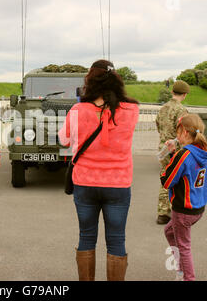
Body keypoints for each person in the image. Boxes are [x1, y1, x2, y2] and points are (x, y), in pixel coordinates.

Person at [58, 59, 139, 281]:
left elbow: (64, 140)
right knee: (116, 240)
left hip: (85, 182)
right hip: (118, 183)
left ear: (89, 82)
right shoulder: (132, 110)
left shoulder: (77, 110)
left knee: (86, 236)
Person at [160, 113, 207, 281]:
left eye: (178, 132)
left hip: (183, 210)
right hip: (197, 209)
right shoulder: (201, 152)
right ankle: (181, 268)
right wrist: (174, 153)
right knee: (169, 231)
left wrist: (170, 156)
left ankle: (186, 276)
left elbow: (167, 180)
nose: (176, 136)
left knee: (184, 247)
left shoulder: (184, 155)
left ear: (185, 133)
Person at [155, 80, 190, 224]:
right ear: (185, 94)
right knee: (178, 180)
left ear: (172, 92)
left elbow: (158, 125)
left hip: (163, 147)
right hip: (175, 148)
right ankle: (177, 212)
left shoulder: (163, 108)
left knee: (165, 177)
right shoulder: (181, 110)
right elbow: (184, 132)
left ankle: (163, 212)